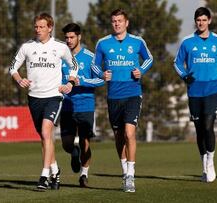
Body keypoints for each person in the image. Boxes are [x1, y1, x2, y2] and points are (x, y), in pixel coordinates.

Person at [9, 13, 78, 190]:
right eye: (36, 27)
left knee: (47, 132)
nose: (38, 30)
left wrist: (70, 82)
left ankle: (44, 176)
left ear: (50, 28)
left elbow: (74, 66)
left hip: (54, 97)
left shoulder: (60, 47)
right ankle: (55, 170)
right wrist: (19, 79)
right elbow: (12, 68)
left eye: (41, 27)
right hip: (34, 98)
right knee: (44, 137)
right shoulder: (27, 47)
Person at [94, 9, 153, 192]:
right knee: (119, 137)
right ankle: (124, 169)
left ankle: (131, 176)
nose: (117, 24)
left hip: (133, 93)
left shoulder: (137, 41)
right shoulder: (103, 43)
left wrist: (140, 71)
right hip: (113, 96)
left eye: (120, 21)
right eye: (114, 21)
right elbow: (94, 65)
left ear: (126, 23)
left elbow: (149, 58)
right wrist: (102, 74)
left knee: (129, 133)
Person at [173, 7, 217, 183]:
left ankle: (211, 161)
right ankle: (203, 163)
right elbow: (177, 62)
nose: (201, 23)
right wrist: (185, 76)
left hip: (213, 88)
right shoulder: (187, 41)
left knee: (208, 125)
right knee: (199, 129)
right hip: (194, 90)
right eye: (198, 20)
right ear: (195, 21)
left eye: (204, 20)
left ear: (209, 21)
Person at [60, 23, 104, 187]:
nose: (69, 40)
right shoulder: (61, 57)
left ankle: (84, 174)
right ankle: (74, 152)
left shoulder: (90, 57)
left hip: (85, 105)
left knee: (86, 142)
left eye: (72, 37)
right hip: (66, 105)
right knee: (66, 144)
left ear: (79, 37)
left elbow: (101, 79)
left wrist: (82, 81)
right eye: (66, 38)